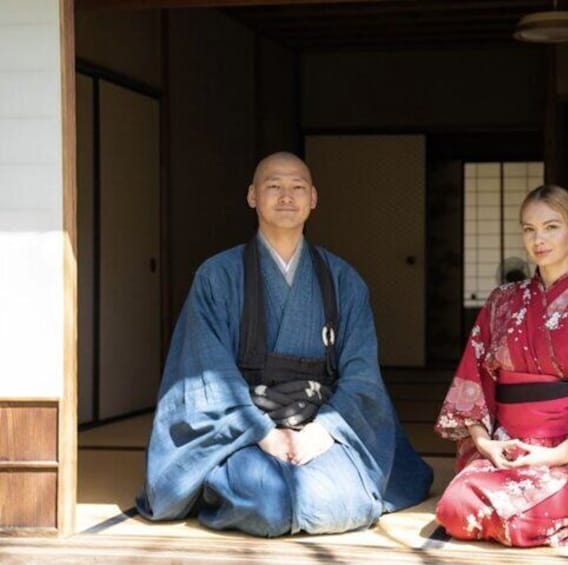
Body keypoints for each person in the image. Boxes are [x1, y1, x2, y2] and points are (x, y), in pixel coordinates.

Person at [136, 152, 433, 537]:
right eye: (273, 186)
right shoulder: (216, 276)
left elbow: (362, 373)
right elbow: (207, 374)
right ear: (252, 197)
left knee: (337, 504)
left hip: (320, 424)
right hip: (245, 426)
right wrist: (263, 432)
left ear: (313, 198)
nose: (286, 196)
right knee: (269, 502)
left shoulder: (343, 279)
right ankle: (225, 475)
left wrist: (323, 430)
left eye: (297, 187)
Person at [434, 184, 568, 547]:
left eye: (551, 227)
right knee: (455, 510)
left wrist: (557, 454)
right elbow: (473, 377)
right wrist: (485, 444)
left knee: (518, 519)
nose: (539, 239)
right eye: (529, 229)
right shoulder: (503, 300)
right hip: (506, 446)